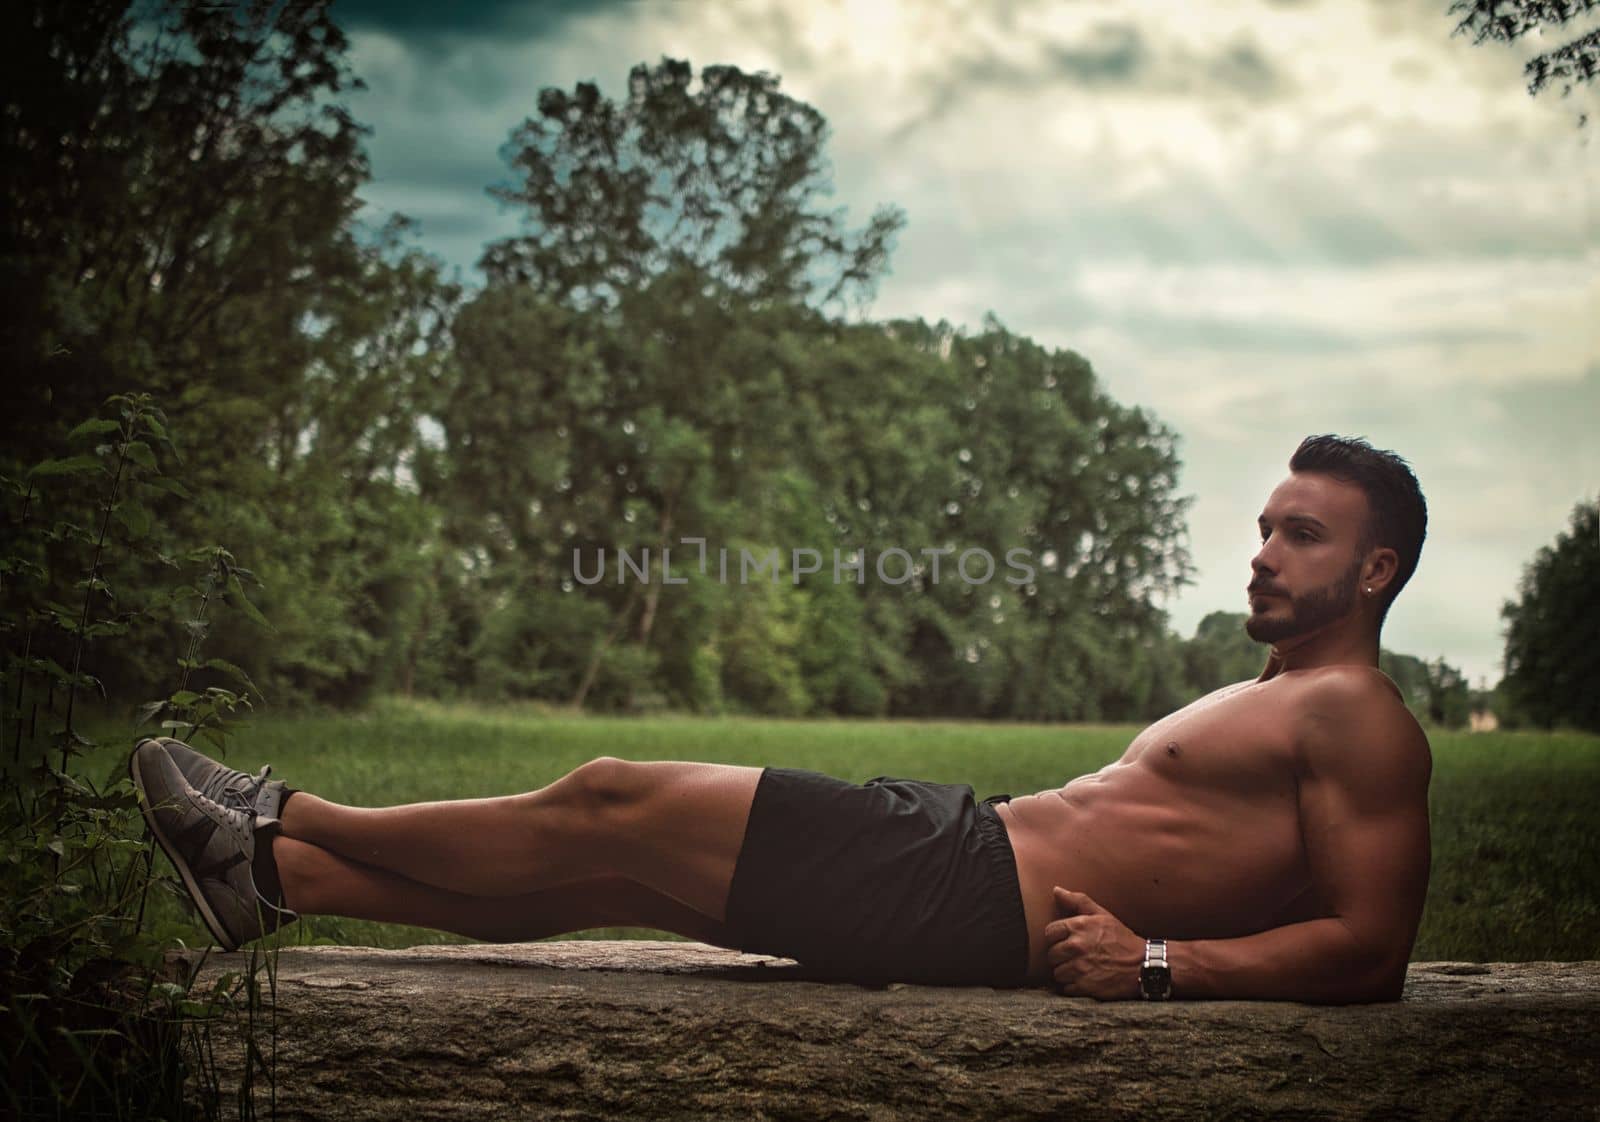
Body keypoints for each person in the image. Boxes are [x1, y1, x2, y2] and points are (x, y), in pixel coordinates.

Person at [131, 434, 1432, 1003]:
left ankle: (275, 815)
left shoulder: (1362, 719)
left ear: (1375, 571)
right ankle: (279, 881)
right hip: (969, 859)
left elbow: (1371, 948)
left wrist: (1157, 964)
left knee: (610, 793)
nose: (1263, 551)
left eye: (1301, 533)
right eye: (1263, 525)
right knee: (610, 864)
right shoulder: (1287, 696)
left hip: (968, 887)